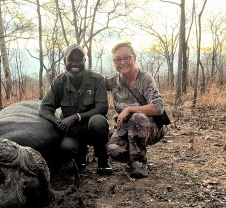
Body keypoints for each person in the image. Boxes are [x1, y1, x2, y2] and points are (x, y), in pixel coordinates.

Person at [39, 44, 112, 175]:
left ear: (85, 61)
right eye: (71, 59)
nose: (75, 63)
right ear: (65, 61)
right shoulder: (58, 83)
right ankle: (80, 157)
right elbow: (44, 109)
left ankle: (103, 160)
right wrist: (58, 122)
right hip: (72, 131)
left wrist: (76, 117)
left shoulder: (97, 79)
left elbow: (102, 107)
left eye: (79, 59)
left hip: (92, 128)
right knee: (67, 148)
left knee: (99, 121)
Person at [106, 41, 168, 179]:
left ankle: (139, 163)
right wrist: (66, 75)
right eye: (117, 59)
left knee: (137, 117)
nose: (122, 62)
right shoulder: (112, 80)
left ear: (134, 58)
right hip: (126, 128)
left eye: (127, 57)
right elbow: (92, 81)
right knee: (112, 150)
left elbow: (158, 107)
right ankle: (132, 152)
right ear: (113, 62)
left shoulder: (145, 78)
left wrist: (129, 109)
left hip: (151, 126)